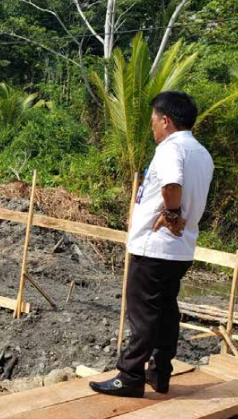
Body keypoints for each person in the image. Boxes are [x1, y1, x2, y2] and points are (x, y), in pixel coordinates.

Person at [90, 91, 214, 398]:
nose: (153, 128)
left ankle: (130, 375)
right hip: (180, 249)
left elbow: (172, 184)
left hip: (155, 247)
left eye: (154, 121)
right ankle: (160, 374)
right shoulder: (201, 152)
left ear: (166, 121)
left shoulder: (171, 149)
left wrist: (171, 213)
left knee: (142, 311)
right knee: (165, 309)